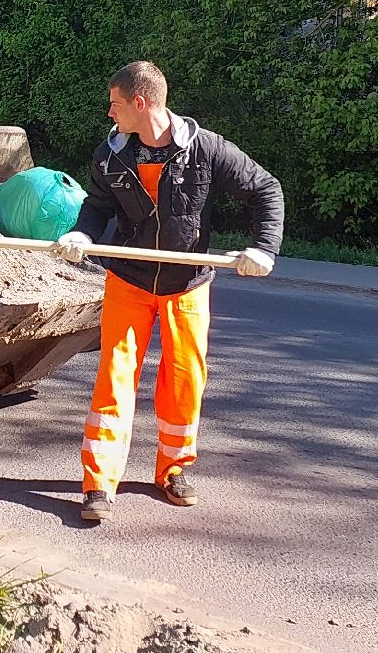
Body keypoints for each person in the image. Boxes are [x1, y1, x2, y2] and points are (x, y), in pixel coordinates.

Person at [56, 60, 285, 523]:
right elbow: (97, 206)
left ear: (140, 103)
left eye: (115, 104)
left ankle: (174, 471)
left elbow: (266, 188)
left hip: (187, 285)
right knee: (115, 380)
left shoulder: (205, 149)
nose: (110, 113)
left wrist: (264, 247)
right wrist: (83, 233)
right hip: (129, 279)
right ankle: (99, 484)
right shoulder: (111, 153)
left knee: (184, 379)